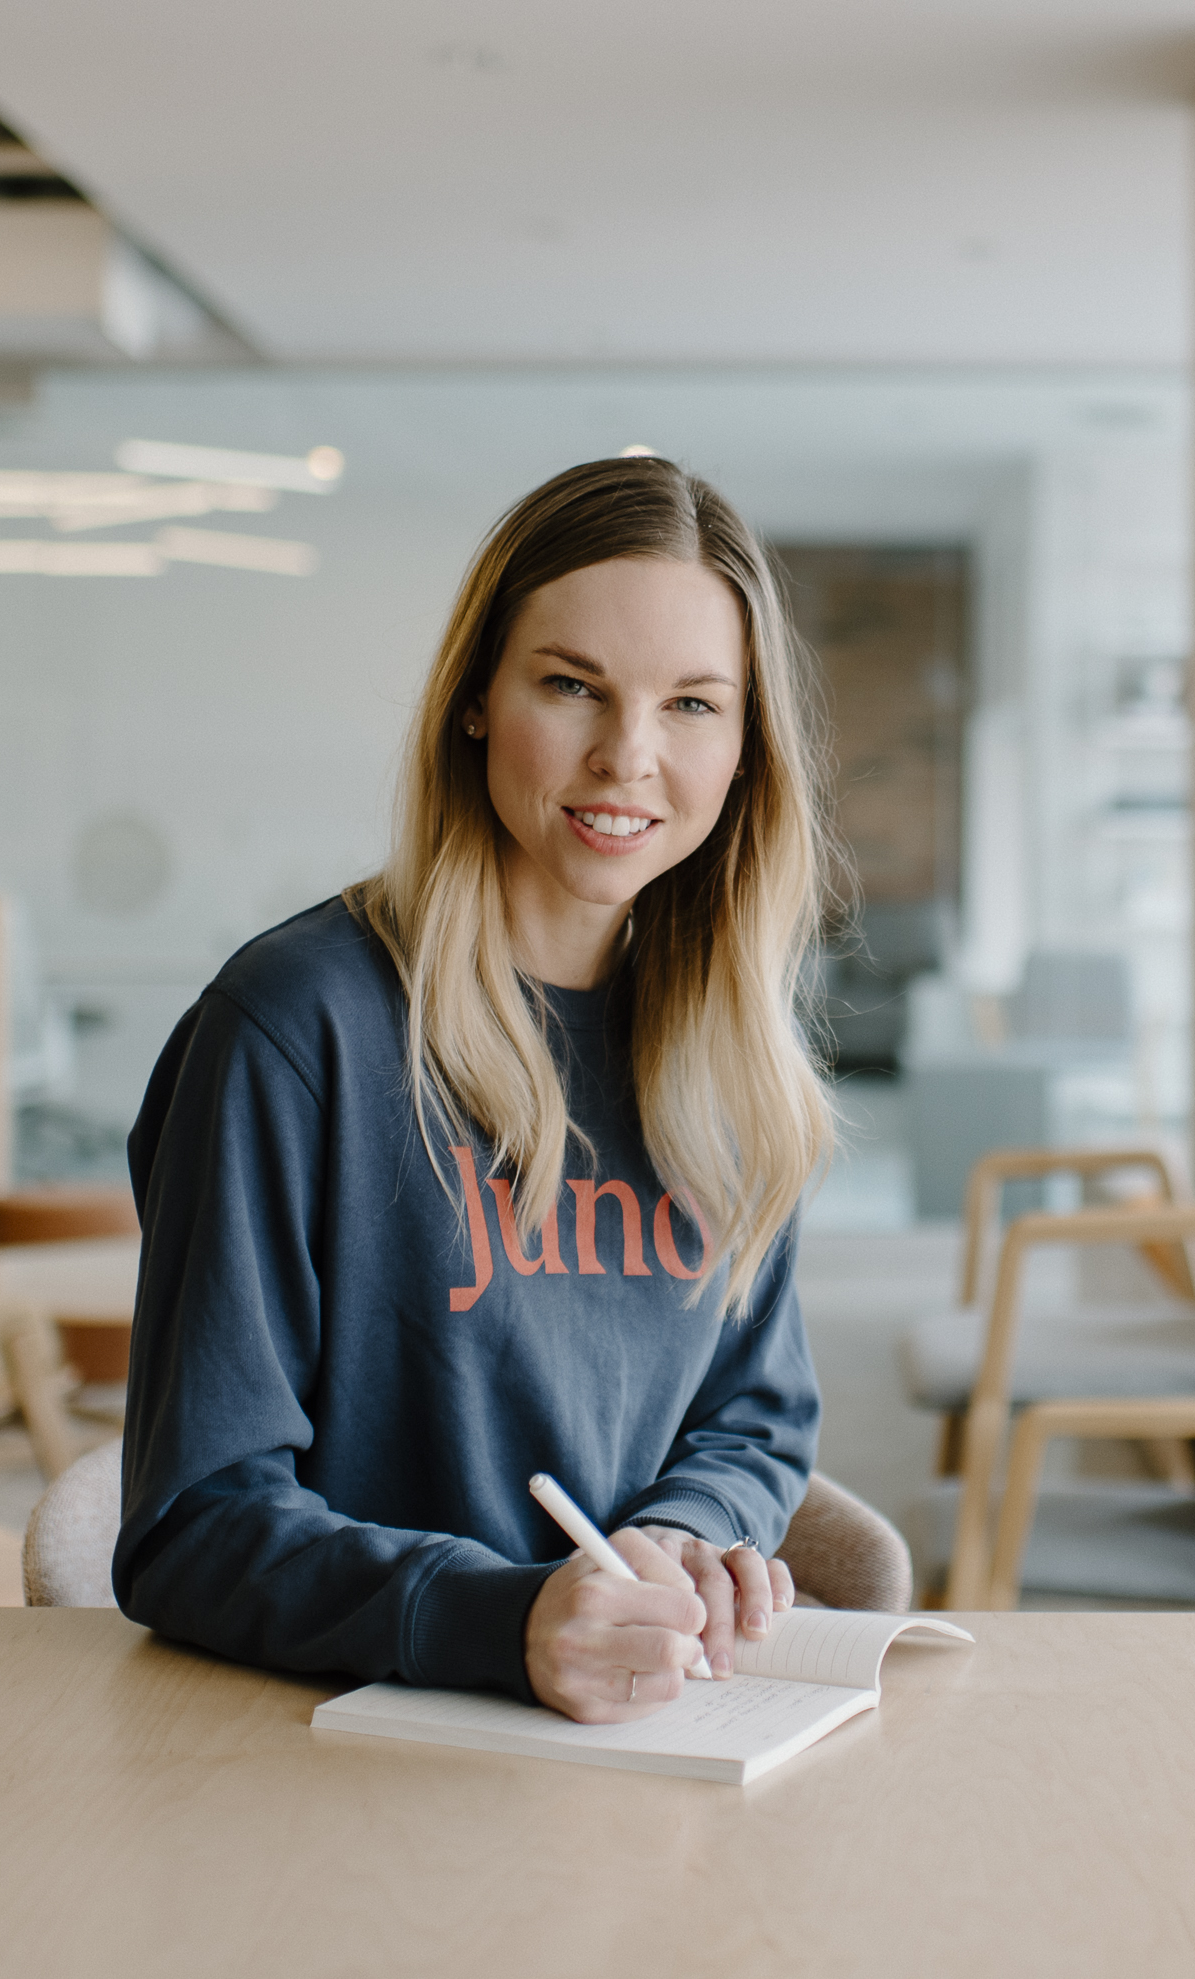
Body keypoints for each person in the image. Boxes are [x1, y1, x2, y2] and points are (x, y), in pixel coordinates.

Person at [114, 456, 838, 1724]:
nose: (628, 756)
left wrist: (679, 1533)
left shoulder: (729, 1051)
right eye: (572, 686)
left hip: (638, 1732)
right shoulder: (294, 1029)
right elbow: (194, 1520)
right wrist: (504, 1620)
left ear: (744, 750)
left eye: (691, 704)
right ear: (474, 702)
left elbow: (755, 1415)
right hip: (337, 1749)